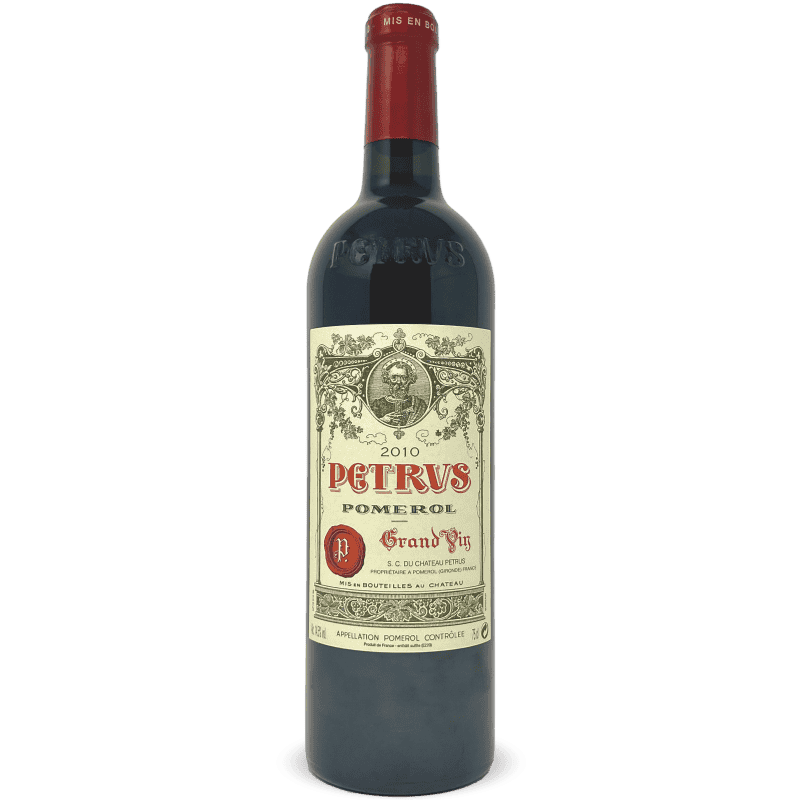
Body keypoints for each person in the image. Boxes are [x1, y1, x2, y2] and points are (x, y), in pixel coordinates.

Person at [371, 359, 427, 426]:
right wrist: (383, 420)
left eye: (403, 378)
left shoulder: (419, 404)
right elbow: (369, 424)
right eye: (394, 377)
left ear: (409, 380)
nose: (399, 382)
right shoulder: (377, 404)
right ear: (387, 379)